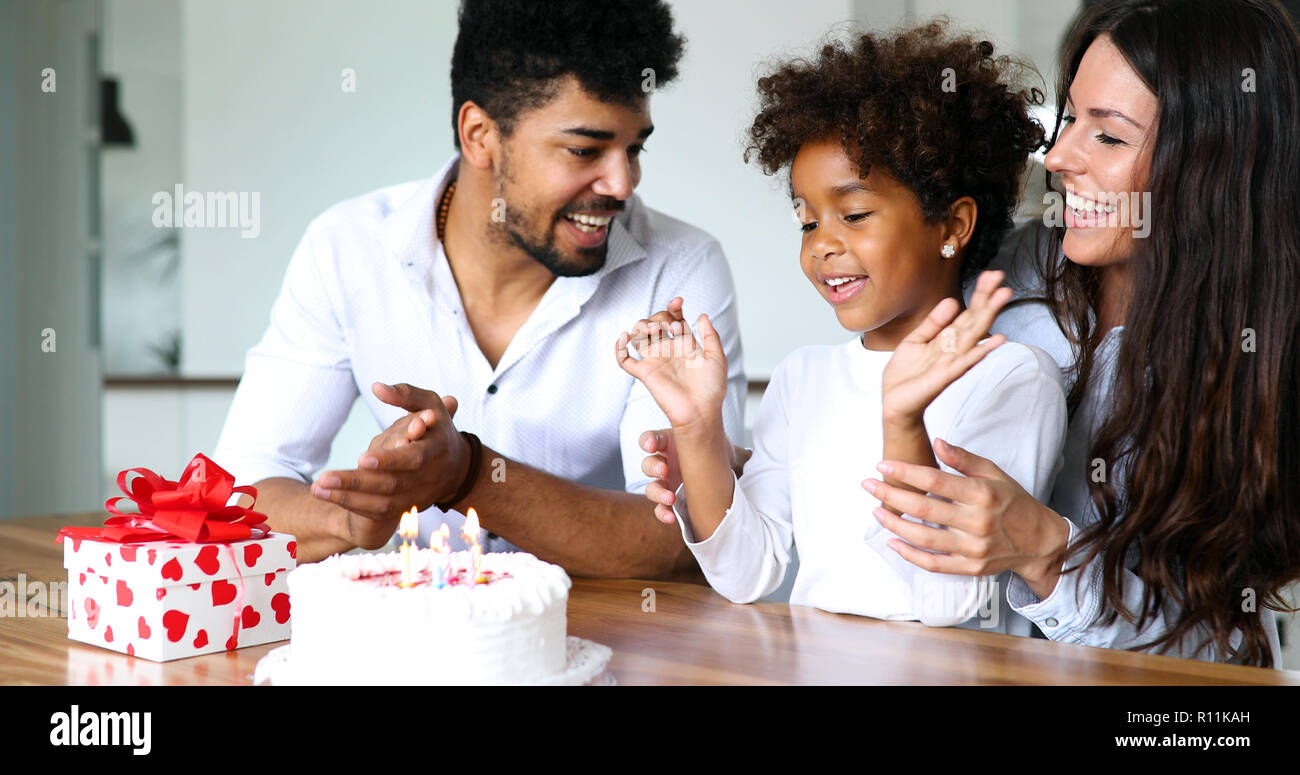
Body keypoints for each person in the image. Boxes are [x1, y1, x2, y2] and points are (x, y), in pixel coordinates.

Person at [213, 0, 749, 579]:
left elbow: (685, 538)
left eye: (634, 148)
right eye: (585, 150)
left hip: (612, 645)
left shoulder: (682, 268)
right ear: (480, 136)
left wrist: (466, 474)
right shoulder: (347, 248)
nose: (623, 183)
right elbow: (243, 488)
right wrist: (352, 520)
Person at [863, 0, 1300, 666]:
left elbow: (1213, 640)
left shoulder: (1263, 351)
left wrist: (1042, 548)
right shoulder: (1009, 268)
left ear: (1212, 164)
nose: (1059, 154)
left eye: (1109, 135)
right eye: (1069, 116)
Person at [617, 23, 1066, 630]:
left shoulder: (1011, 377)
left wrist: (901, 420)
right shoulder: (804, 378)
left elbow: (945, 606)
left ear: (952, 226)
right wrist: (698, 432)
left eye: (853, 214)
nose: (823, 245)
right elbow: (746, 574)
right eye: (807, 222)